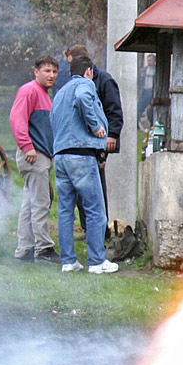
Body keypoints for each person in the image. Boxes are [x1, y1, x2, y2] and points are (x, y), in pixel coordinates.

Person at [51, 55, 118, 274]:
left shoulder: (60, 93)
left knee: (65, 211)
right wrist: (95, 125)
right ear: (89, 70)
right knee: (95, 210)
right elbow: (82, 97)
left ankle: (68, 262)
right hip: (81, 155)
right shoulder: (84, 84)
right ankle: (97, 262)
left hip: (60, 157)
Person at [65, 45, 124, 238]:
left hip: (100, 141)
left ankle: (101, 231)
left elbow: (114, 110)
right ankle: (88, 227)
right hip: (84, 142)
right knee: (82, 189)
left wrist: (112, 135)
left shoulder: (104, 81)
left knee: (97, 187)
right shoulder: (78, 83)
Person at [9, 56, 61, 265]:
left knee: (30, 203)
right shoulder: (29, 90)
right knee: (40, 203)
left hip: (41, 155)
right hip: (33, 154)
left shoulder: (45, 95)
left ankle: (25, 248)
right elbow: (17, 118)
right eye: (47, 71)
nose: (51, 75)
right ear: (36, 71)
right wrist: (27, 146)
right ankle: (43, 249)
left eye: (54, 72)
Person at [137, 53, 156, 127]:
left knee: (151, 110)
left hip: (152, 92)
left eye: (150, 60)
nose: (149, 62)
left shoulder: (156, 70)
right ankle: (137, 125)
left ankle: (152, 125)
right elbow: (139, 83)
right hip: (144, 92)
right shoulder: (143, 70)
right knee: (139, 108)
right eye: (148, 60)